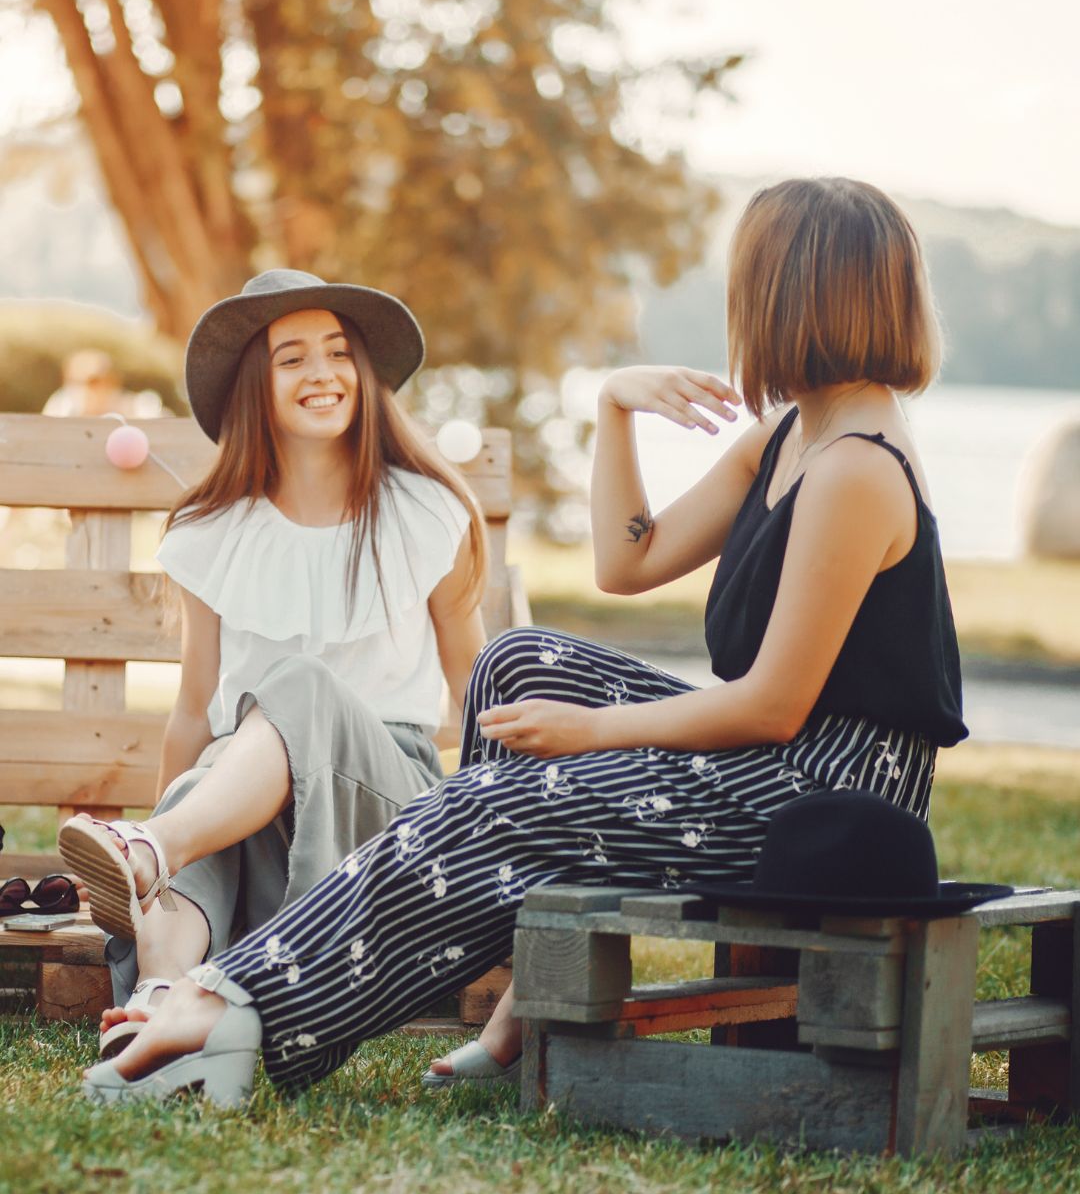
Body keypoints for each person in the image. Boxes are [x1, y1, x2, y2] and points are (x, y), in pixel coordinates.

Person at [77, 177, 968, 1107]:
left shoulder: (856, 471)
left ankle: (233, 1007)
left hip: (822, 798)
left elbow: (775, 707)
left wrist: (590, 734)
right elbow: (627, 563)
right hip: (777, 760)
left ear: (794, 299)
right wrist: (614, 407)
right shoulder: (790, 439)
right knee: (517, 662)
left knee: (499, 802)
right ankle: (518, 990)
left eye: (749, 285)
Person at [59, 270, 488, 1059]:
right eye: (293, 358)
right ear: (256, 385)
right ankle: (162, 994)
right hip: (248, 808)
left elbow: (475, 689)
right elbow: (195, 708)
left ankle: (155, 850)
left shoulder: (426, 512)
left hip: (383, 809)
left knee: (298, 685)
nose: (322, 372)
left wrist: (487, 841)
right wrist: (173, 810)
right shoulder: (211, 530)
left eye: (338, 351)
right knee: (211, 776)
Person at [43, 348, 168, 419]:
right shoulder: (62, 406)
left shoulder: (136, 407)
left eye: (93, 382)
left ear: (112, 382)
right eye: (75, 382)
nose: (84, 389)